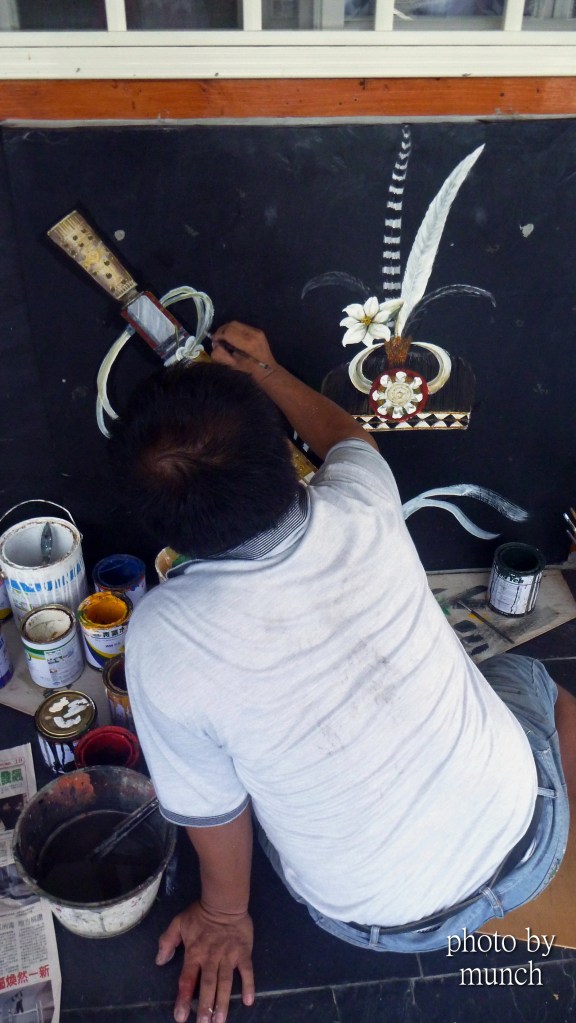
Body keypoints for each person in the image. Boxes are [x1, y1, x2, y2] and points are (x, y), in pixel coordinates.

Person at [111, 321, 575, 1023]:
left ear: (162, 528)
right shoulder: (361, 499)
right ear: (284, 453)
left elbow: (217, 813)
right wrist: (265, 370)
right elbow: (349, 439)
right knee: (528, 678)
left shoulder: (159, 638)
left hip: (381, 923)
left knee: (252, 784)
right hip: (535, 843)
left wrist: (224, 913)